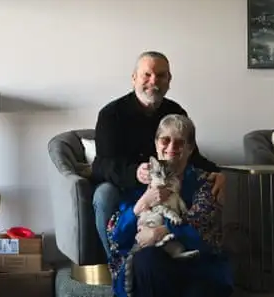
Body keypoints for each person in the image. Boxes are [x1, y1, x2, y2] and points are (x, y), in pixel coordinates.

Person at [91, 51, 226, 257]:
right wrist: (135, 173)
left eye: (161, 75)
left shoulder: (176, 111)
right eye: (147, 74)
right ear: (134, 77)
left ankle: (186, 253)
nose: (154, 81)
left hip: (167, 186)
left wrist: (217, 173)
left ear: (169, 80)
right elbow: (101, 165)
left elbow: (192, 154)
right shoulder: (111, 114)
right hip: (126, 187)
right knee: (103, 194)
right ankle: (117, 264)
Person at [106, 114, 233, 297]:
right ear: (157, 143)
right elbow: (116, 237)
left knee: (200, 290)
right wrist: (141, 204)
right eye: (165, 140)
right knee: (146, 260)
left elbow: (203, 230)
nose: (171, 147)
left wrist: (162, 231)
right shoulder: (139, 184)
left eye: (180, 142)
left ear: (190, 149)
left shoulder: (205, 182)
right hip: (152, 266)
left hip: (196, 265)